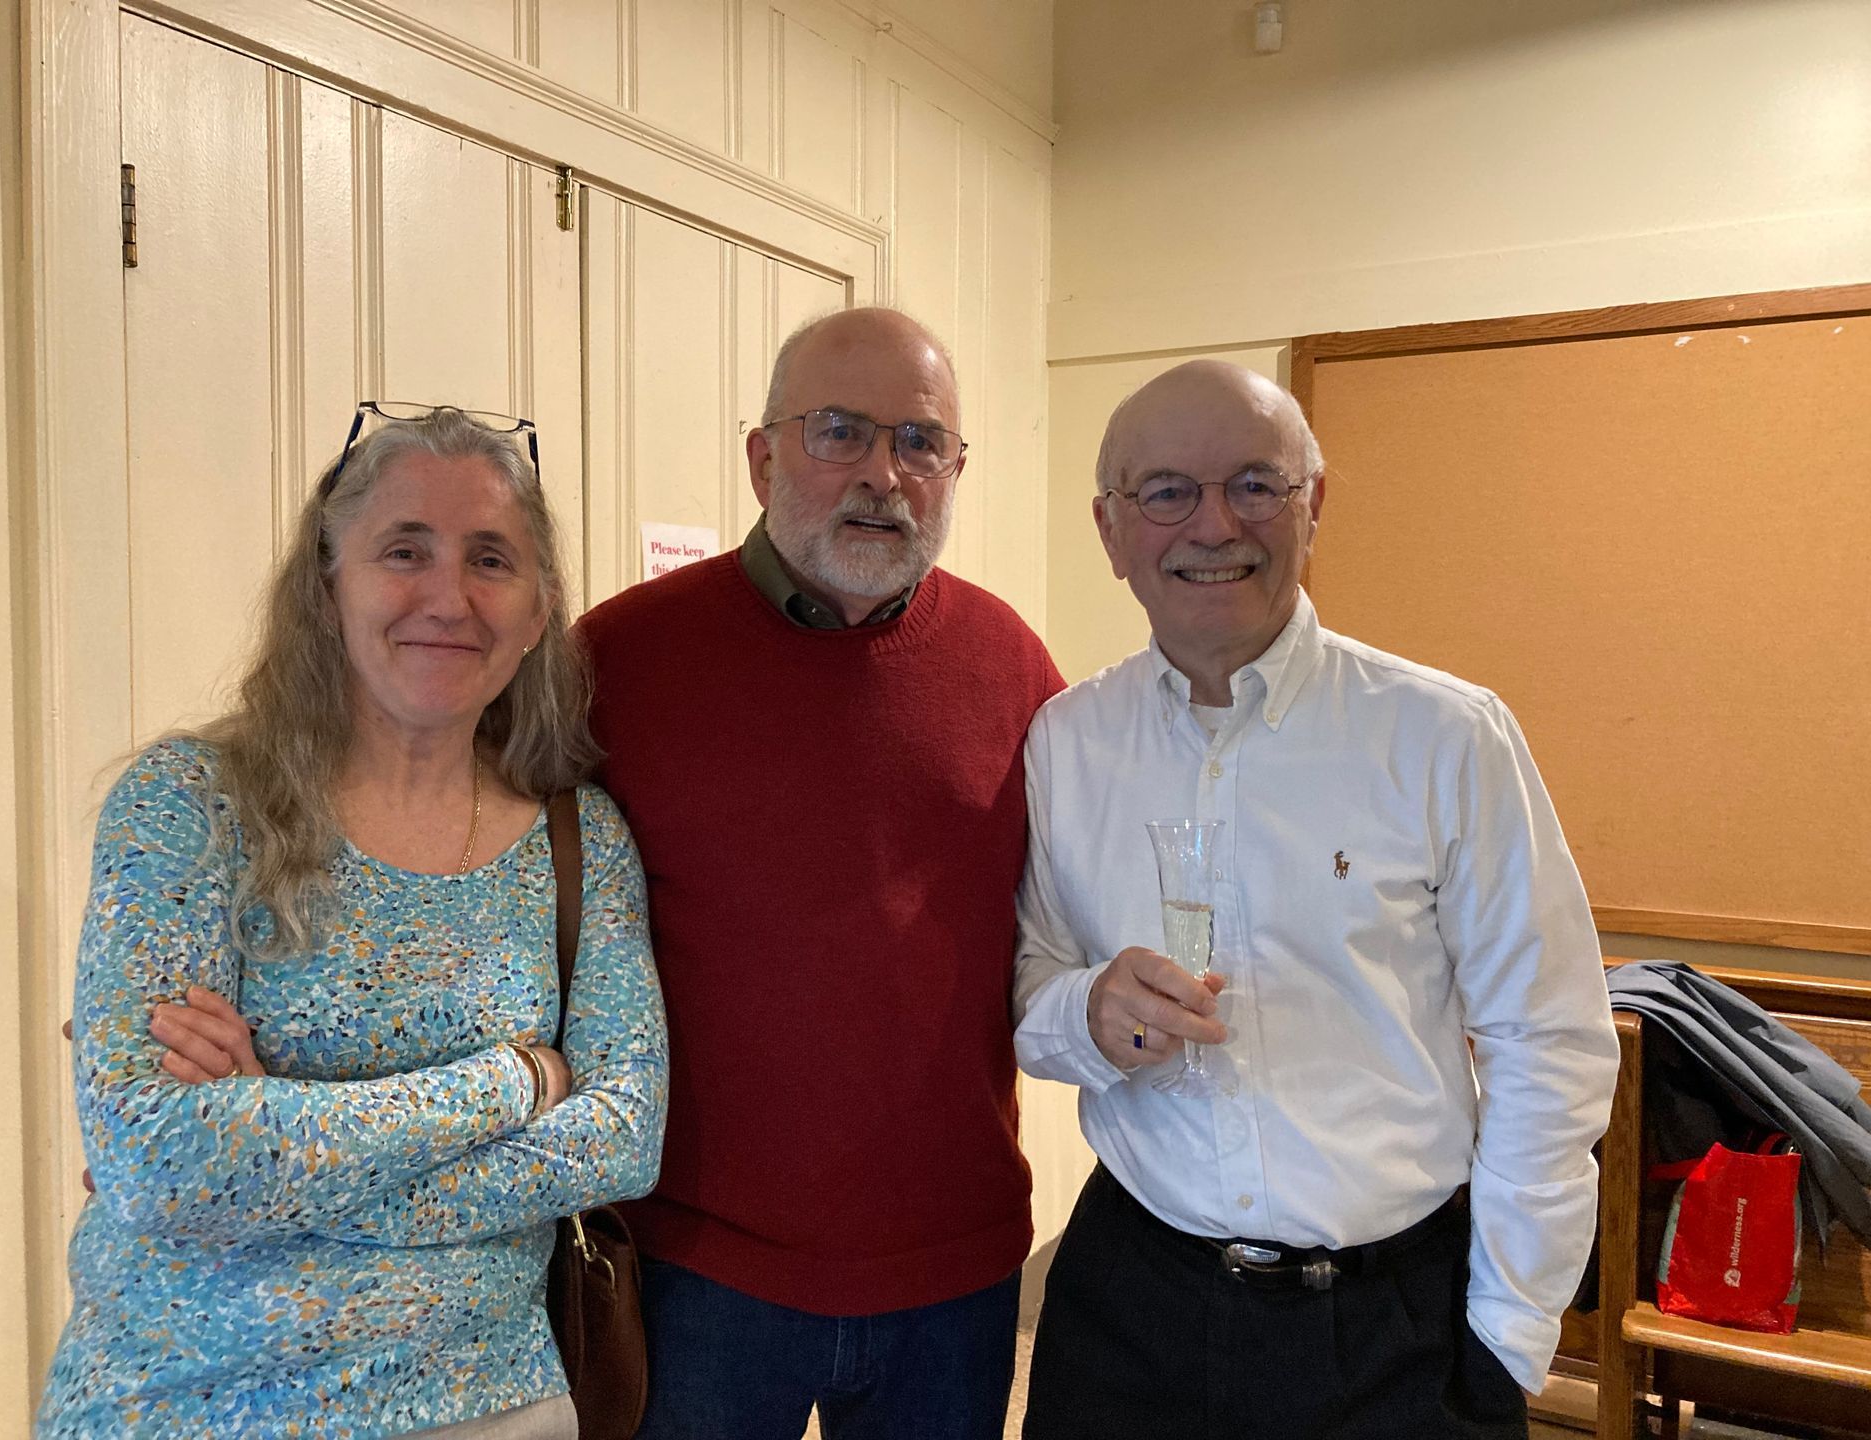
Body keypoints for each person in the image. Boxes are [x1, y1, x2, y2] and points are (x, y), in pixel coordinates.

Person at [1012, 360, 1618, 1439]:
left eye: (1255, 484)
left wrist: (1510, 1329)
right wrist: (1087, 1014)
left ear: (1315, 504)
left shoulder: (1444, 736)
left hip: (1396, 1322)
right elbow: (1031, 981)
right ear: (1111, 531)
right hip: (1131, 1306)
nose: (1213, 525)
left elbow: (1550, 1038)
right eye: (1165, 492)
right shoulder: (1067, 741)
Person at [37, 405, 668, 1439]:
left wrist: (271, 1144)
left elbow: (620, 1142)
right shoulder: (187, 806)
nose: (447, 596)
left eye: (491, 558)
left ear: (540, 607)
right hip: (181, 1402)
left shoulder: (580, 842)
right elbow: (158, 1163)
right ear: (327, 587)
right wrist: (518, 1079)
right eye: (404, 550)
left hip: (493, 1400)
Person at [573, 307, 1063, 1439]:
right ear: (763, 458)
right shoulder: (616, 661)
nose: (884, 476)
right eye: (839, 431)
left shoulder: (1014, 667)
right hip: (695, 1268)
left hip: (955, 1273)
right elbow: (483, 869)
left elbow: (1080, 914)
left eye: (921, 442)